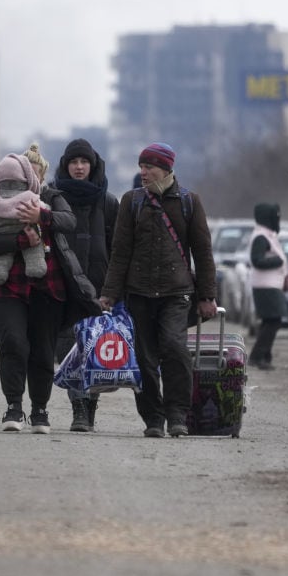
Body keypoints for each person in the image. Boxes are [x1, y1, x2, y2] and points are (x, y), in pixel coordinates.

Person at [99, 142, 218, 438]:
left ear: (166, 169)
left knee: (175, 348)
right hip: (138, 293)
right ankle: (153, 417)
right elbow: (120, 252)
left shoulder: (190, 202)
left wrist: (206, 296)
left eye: (149, 167)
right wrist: (109, 294)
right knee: (144, 359)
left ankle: (178, 413)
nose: (143, 172)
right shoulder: (132, 201)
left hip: (177, 294)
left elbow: (203, 252)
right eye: (141, 167)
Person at [0, 152, 100, 434]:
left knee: (43, 351)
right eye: (23, 174)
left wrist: (41, 215)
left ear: (40, 175)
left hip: (48, 286)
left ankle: (39, 409)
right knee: (13, 342)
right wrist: (19, 240)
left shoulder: (52, 197)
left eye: (34, 173)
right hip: (8, 285)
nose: (28, 179)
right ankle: (13, 406)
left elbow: (69, 221)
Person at [51, 138, 119, 433]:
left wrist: (113, 291)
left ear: (93, 166)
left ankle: (89, 406)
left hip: (99, 290)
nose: (79, 167)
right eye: (74, 162)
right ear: (66, 166)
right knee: (69, 351)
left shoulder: (108, 202)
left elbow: (119, 249)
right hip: (63, 289)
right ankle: (79, 408)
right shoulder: (53, 199)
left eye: (84, 162)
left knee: (94, 351)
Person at [247, 202, 288, 370]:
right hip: (265, 286)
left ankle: (264, 356)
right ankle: (257, 356)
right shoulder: (260, 237)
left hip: (271, 285)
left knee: (270, 321)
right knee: (273, 321)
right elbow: (256, 260)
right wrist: (277, 261)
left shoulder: (268, 235)